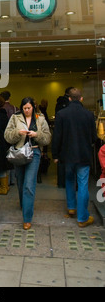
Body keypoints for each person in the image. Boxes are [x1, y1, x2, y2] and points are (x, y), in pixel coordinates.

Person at [52, 88, 97, 228]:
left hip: (67, 155)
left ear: (69, 99)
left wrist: (55, 154)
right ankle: (82, 218)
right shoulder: (89, 115)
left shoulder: (61, 114)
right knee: (83, 184)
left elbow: (57, 137)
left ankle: (71, 207)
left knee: (69, 180)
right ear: (81, 98)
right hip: (83, 155)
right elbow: (94, 137)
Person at [5, 97, 51, 230]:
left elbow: (48, 138)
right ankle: (24, 204)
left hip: (34, 153)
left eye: (29, 108)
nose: (26, 110)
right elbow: (7, 135)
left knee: (29, 185)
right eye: (24, 108)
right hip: (19, 153)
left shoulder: (40, 119)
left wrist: (37, 134)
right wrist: (18, 133)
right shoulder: (15, 117)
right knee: (20, 182)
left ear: (33, 107)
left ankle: (27, 218)